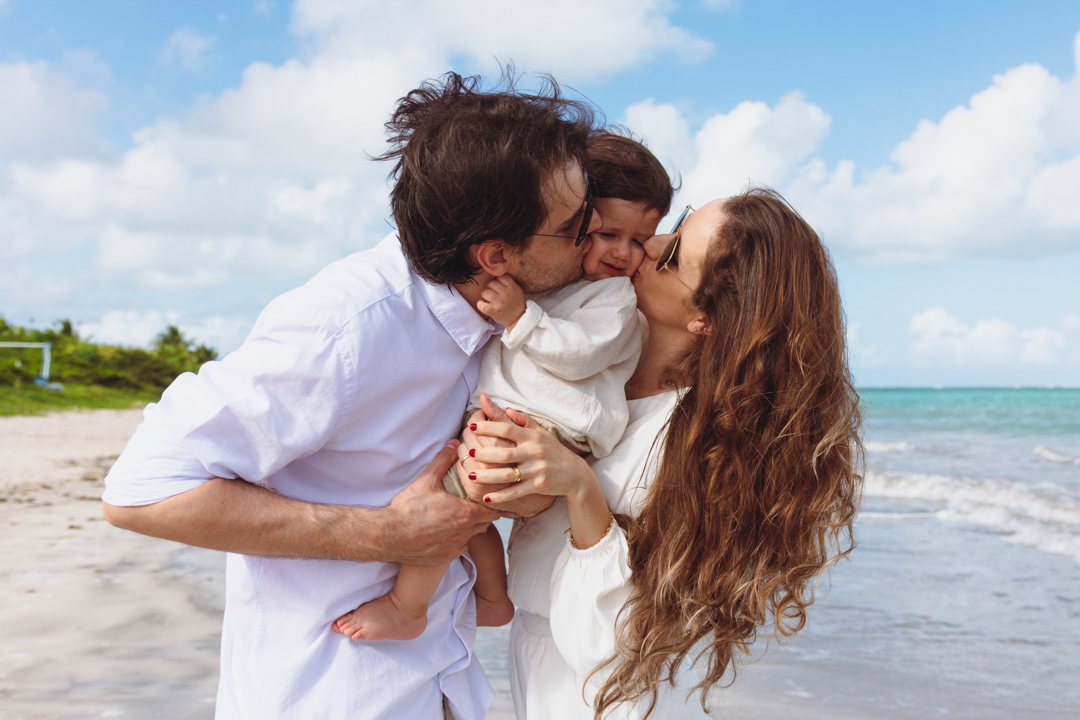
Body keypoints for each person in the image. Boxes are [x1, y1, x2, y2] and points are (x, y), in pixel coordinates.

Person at [100, 71, 602, 720]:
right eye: (576, 225)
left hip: (437, 678)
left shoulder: (502, 319)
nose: (593, 240)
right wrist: (386, 533)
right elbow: (140, 490)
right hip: (327, 692)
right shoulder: (345, 326)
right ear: (497, 256)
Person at [460, 188, 863, 719]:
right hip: (534, 654)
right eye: (679, 223)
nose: (650, 244)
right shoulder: (597, 348)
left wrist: (579, 486)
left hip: (601, 693)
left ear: (709, 318)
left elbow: (613, 642)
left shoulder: (705, 444)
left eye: (673, 255)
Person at [332, 132, 673, 643]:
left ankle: (408, 606)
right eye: (607, 234)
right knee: (470, 519)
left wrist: (521, 318)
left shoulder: (614, 297)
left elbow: (582, 354)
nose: (623, 253)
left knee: (446, 509)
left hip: (550, 433)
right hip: (517, 427)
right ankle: (493, 599)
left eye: (640, 240)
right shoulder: (556, 276)